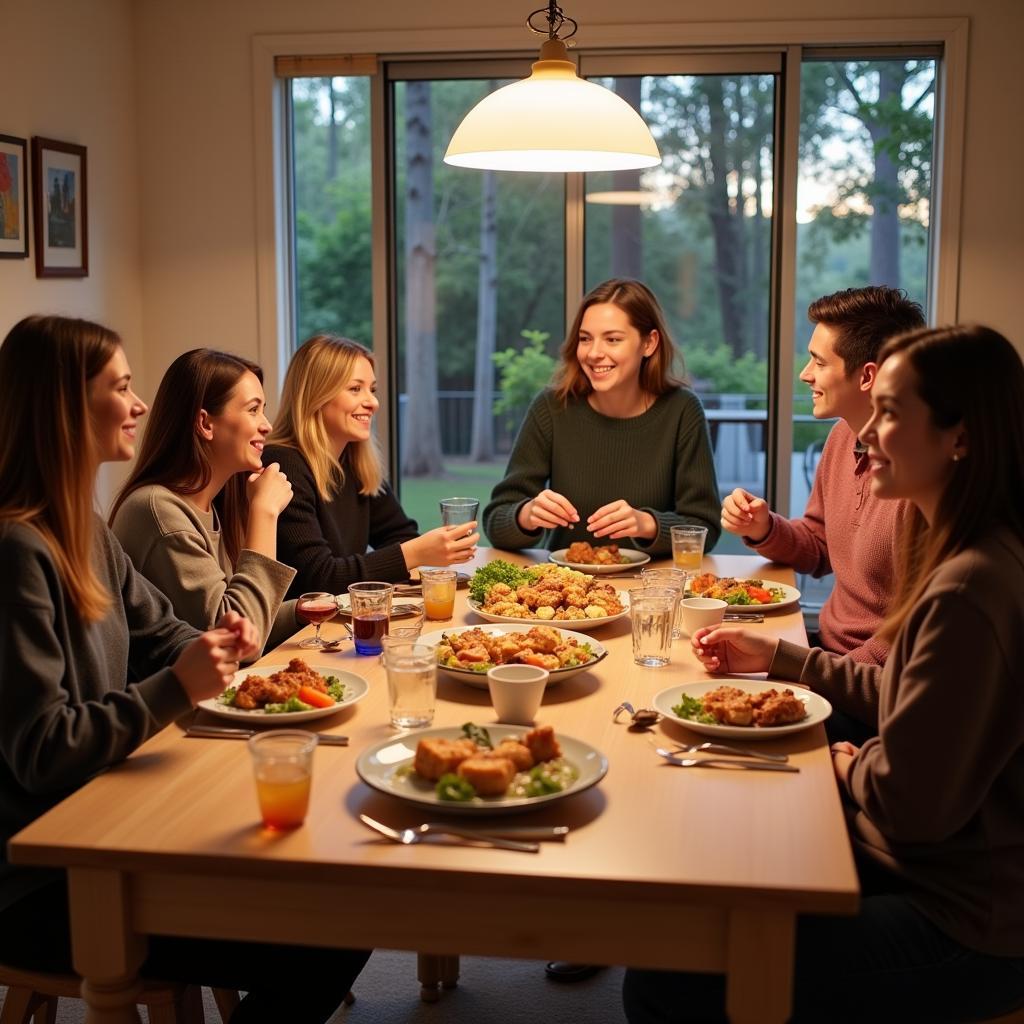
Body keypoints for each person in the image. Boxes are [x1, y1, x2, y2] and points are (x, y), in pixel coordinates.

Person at [624, 324, 1024, 1024]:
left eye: (893, 413)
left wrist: (847, 763)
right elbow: (905, 695)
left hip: (966, 922)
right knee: (723, 846)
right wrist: (781, 656)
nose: (866, 435)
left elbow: (912, 805)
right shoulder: (962, 547)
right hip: (933, 869)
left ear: (959, 437)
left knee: (668, 971)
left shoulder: (970, 586)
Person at [0, 316, 368, 1023]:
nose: (138, 405)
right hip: (45, 877)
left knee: (344, 898)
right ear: (64, 407)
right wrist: (179, 683)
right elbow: (44, 752)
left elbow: (169, 634)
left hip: (112, 821)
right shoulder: (20, 551)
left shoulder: (87, 532)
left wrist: (222, 641)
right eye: (121, 386)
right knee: (334, 929)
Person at [720, 286, 925, 666]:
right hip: (826, 652)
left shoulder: (921, 481)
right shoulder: (842, 436)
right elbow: (820, 548)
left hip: (861, 675)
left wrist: (808, 672)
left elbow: (908, 640)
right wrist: (764, 528)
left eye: (819, 362)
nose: (804, 374)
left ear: (867, 376)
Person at [483, 278, 720, 557]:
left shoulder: (682, 410)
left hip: (652, 591)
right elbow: (496, 522)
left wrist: (648, 524)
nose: (594, 353)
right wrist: (527, 514)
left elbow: (704, 529)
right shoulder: (552, 407)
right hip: (563, 591)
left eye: (613, 339)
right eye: (585, 339)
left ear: (649, 343)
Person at [110, 348, 298, 653]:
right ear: (205, 423)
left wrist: (302, 609)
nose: (267, 425)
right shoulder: (159, 510)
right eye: (253, 410)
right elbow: (238, 642)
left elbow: (247, 622)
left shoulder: (208, 506)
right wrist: (264, 512)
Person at [264, 333, 478, 597]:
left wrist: (413, 551)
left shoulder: (354, 462)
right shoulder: (282, 463)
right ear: (316, 395)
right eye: (355, 389)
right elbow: (319, 579)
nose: (373, 402)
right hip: (299, 634)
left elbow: (401, 534)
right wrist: (416, 552)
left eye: (372, 389)